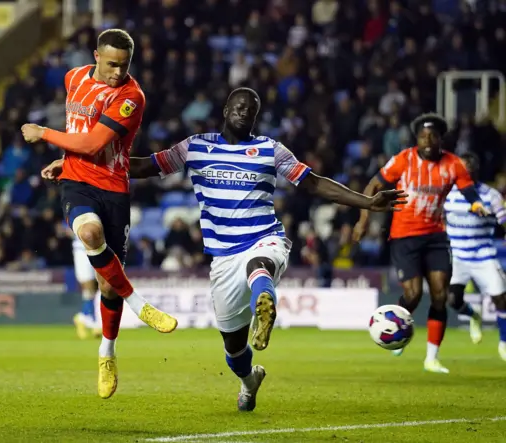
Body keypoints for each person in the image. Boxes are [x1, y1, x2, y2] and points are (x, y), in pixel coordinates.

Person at [123, 87, 405, 411]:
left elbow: (313, 183)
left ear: (256, 118)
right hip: (223, 257)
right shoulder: (196, 146)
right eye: (239, 107)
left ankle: (264, 301)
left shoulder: (270, 150)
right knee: (233, 347)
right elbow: (146, 166)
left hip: (264, 237)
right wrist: (90, 165)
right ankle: (249, 380)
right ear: (226, 108)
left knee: (259, 264)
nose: (244, 113)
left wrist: (367, 201)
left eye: (251, 111)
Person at [21, 28, 177, 399]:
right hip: (77, 183)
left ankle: (106, 350)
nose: (117, 73)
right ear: (95, 55)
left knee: (108, 285)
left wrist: (44, 133)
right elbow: (80, 131)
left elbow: (93, 143)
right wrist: (66, 160)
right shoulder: (73, 78)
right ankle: (139, 305)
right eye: (110, 65)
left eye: (124, 66)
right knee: (90, 235)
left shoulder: (130, 97)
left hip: (113, 189)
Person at [353, 113, 490, 374]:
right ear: (417, 139)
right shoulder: (403, 159)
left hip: (436, 236)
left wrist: (477, 204)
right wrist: (362, 219)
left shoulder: (453, 163)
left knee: (440, 295)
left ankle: (432, 358)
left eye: (433, 136)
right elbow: (373, 184)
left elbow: (468, 189)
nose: (427, 140)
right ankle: (399, 328)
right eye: (423, 136)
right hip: (404, 236)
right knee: (414, 295)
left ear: (441, 139)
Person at [443, 152, 506, 360]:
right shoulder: (447, 193)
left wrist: (498, 220)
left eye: (469, 168)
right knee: (452, 299)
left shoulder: (491, 195)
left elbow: (503, 221)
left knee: (501, 299)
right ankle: (473, 315)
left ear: (476, 171)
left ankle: (504, 342)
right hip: (458, 256)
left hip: (483, 255)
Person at [72, 236, 100, 339]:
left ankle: (83, 317)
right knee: (88, 284)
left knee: (98, 285)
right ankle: (91, 319)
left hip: (100, 246)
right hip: (82, 248)